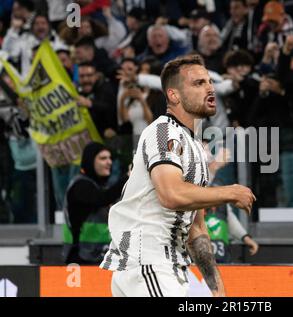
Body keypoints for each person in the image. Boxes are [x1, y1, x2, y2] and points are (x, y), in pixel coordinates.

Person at [100, 55, 256, 297]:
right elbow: (171, 195)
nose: (210, 87)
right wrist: (230, 192)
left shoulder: (194, 147)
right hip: (148, 262)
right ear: (174, 96)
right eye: (198, 83)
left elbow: (197, 228)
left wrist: (216, 288)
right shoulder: (163, 131)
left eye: (209, 81)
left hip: (170, 267)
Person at [63, 142, 128, 264]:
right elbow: (102, 199)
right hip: (81, 258)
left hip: (100, 256)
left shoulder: (98, 185)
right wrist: (127, 177)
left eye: (110, 158)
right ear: (90, 161)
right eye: (103, 158)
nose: (109, 162)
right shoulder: (80, 185)